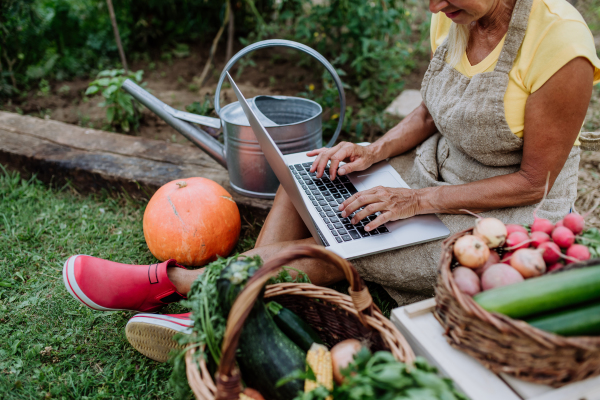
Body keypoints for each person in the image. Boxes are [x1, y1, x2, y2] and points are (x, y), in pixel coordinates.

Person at [63, 0, 600, 361]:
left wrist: (415, 199)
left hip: (505, 216)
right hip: (440, 168)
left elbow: (534, 181)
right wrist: (375, 151)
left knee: (340, 249)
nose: (435, 6)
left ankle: (179, 284)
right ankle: (234, 306)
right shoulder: (455, 10)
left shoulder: (559, 44)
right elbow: (433, 111)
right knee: (310, 173)